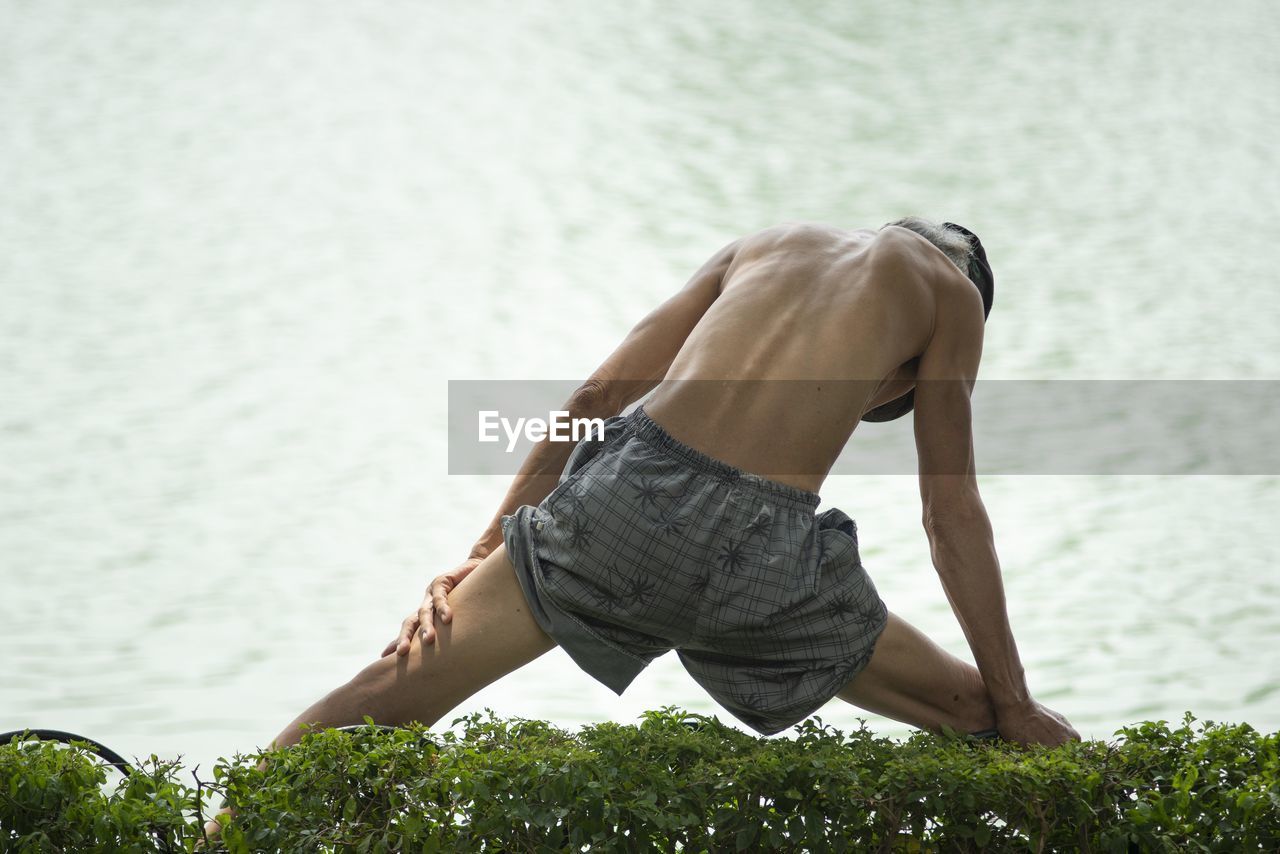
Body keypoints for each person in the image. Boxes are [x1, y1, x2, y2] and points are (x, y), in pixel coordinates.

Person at [264, 217, 1079, 761]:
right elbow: (950, 516)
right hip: (764, 568)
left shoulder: (765, 245)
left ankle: (220, 834)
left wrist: (479, 558)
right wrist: (1016, 699)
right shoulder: (954, 295)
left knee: (388, 696)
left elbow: (593, 400)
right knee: (981, 717)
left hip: (622, 502)